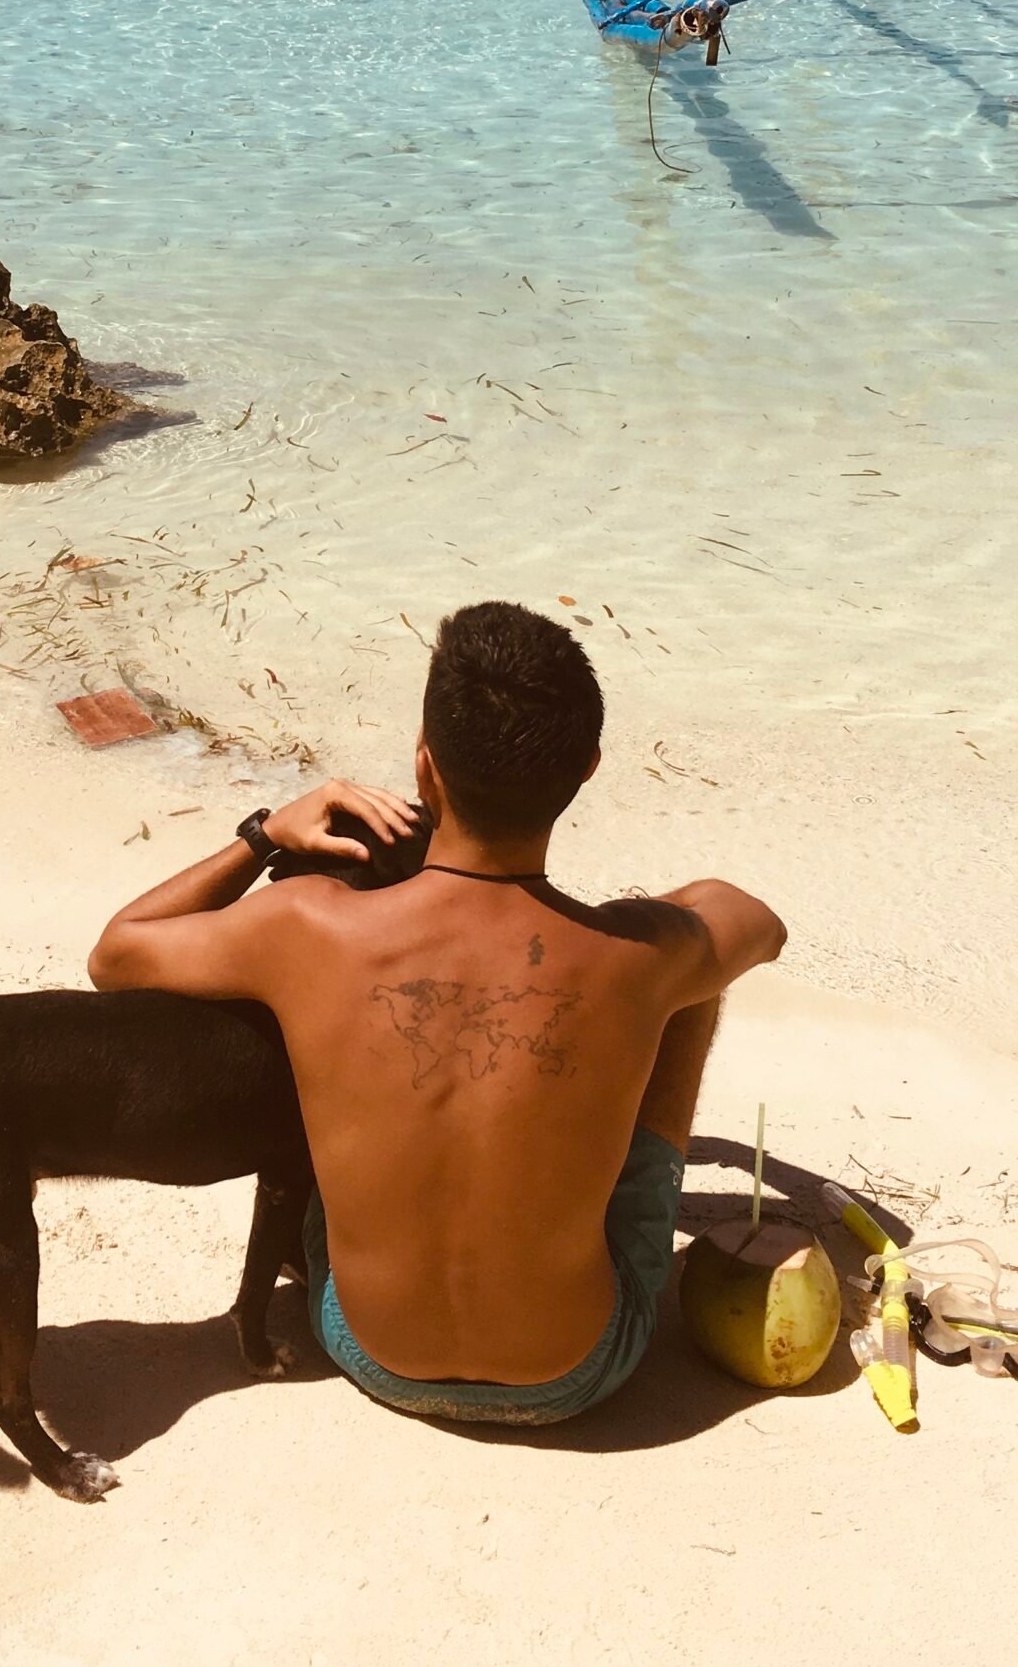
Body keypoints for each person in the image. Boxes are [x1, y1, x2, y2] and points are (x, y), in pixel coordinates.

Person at [88, 600, 785, 1426]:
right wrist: (622, 923)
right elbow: (759, 925)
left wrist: (266, 833)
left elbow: (115, 954)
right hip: (574, 1374)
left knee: (324, 1023)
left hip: (366, 1350)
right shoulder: (642, 955)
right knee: (691, 987)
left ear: (424, 766)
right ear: (588, 768)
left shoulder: (304, 927)